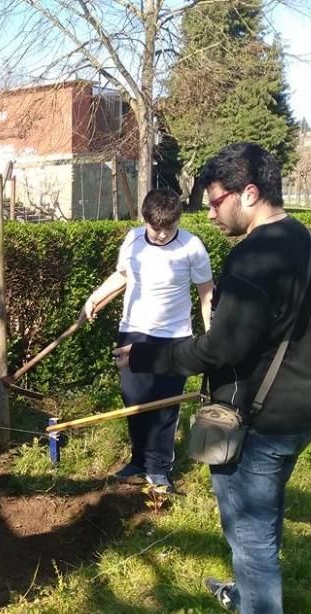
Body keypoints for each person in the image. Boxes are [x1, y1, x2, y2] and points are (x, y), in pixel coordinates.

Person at [114, 142, 311, 614]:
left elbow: (217, 348)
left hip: (263, 419)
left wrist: (146, 353)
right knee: (248, 517)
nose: (209, 213)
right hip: (302, 407)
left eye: (215, 202)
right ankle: (251, 593)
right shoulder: (309, 241)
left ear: (249, 194)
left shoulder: (254, 256)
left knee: (252, 527)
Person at [83, 189, 214, 491]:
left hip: (174, 338)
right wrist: (93, 298)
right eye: (155, 228)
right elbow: (123, 275)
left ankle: (158, 468)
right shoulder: (133, 240)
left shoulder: (191, 247)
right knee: (134, 399)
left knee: (165, 406)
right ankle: (138, 459)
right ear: (145, 221)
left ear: (178, 220)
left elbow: (206, 292)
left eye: (168, 228)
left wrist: (211, 338)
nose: (160, 234)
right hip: (134, 332)